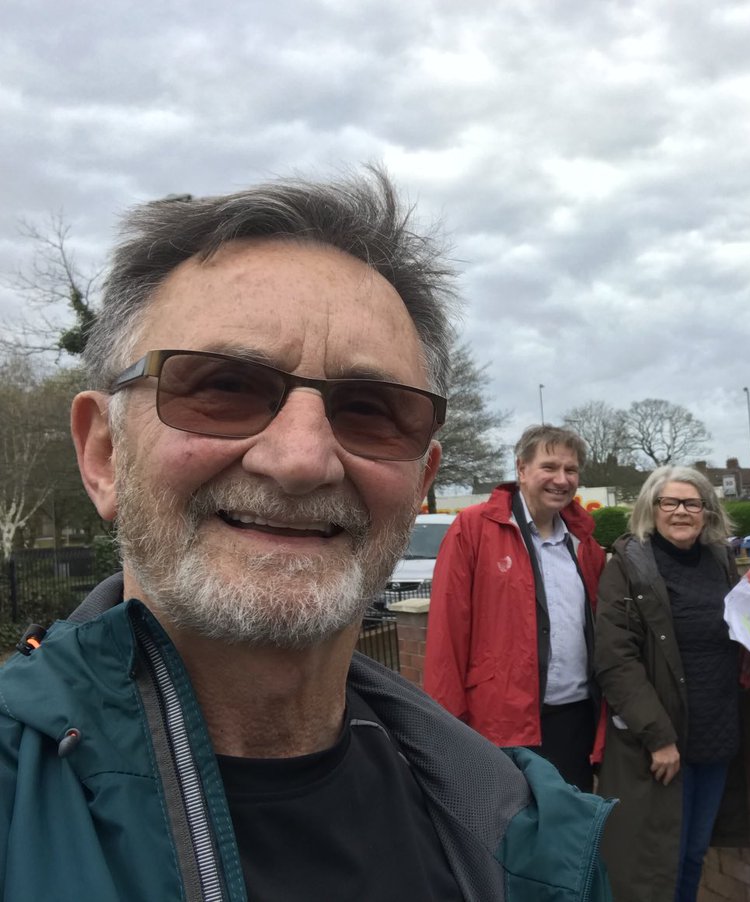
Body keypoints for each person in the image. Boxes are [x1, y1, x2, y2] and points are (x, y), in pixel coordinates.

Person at [0, 168, 613, 902]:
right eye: (224, 387)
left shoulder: (532, 840)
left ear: (420, 482)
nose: (301, 460)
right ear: (104, 454)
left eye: (371, 410)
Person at [593, 465, 750, 902]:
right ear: (652, 508)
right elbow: (615, 660)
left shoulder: (720, 560)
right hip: (663, 742)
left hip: (715, 735)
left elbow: (741, 621)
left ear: (707, 511)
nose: (681, 511)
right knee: (656, 862)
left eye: (692, 503)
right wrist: (659, 737)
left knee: (692, 856)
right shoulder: (628, 566)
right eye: (670, 502)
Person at [425, 425, 606, 792]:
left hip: (575, 719)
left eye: (570, 470)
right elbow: (447, 631)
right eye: (549, 467)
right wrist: (445, 727)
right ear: (521, 470)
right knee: (508, 835)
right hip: (500, 722)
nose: (561, 479)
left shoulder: (585, 542)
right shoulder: (473, 528)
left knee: (567, 830)